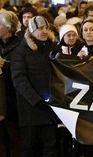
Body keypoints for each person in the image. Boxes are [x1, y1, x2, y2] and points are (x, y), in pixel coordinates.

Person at [11, 16, 58, 156]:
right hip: (30, 110)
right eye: (39, 28)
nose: (44, 31)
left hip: (51, 108)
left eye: (45, 28)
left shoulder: (53, 47)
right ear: (31, 31)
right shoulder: (21, 51)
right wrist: (36, 100)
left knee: (51, 147)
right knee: (30, 148)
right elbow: (19, 79)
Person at [0, 10, 22, 157]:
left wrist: (5, 64)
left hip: (13, 99)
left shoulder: (21, 46)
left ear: (7, 27)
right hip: (0, 99)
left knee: (13, 136)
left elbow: (21, 70)